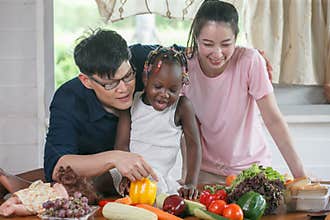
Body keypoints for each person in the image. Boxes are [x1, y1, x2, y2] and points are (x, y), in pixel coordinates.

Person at [130, 0, 306, 183]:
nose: (217, 53)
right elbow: (185, 131)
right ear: (196, 38)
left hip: (252, 171)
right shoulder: (183, 67)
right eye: (207, 43)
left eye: (226, 44)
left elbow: (274, 120)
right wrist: (187, 178)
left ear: (236, 38)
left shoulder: (250, 61)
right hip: (205, 174)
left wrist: (301, 176)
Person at [114, 46, 201, 199]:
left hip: (160, 175)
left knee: (154, 189)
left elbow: (194, 145)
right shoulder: (131, 103)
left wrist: (190, 183)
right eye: (158, 86)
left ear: (182, 87)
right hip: (130, 171)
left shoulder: (182, 106)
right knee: (100, 180)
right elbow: (121, 145)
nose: (164, 95)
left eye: (173, 90)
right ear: (145, 79)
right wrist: (126, 174)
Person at [0, 166, 97, 217]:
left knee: (22, 199)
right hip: (43, 196)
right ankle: (13, 207)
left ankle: (12, 204)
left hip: (40, 191)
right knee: (28, 208)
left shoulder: (58, 188)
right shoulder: (63, 198)